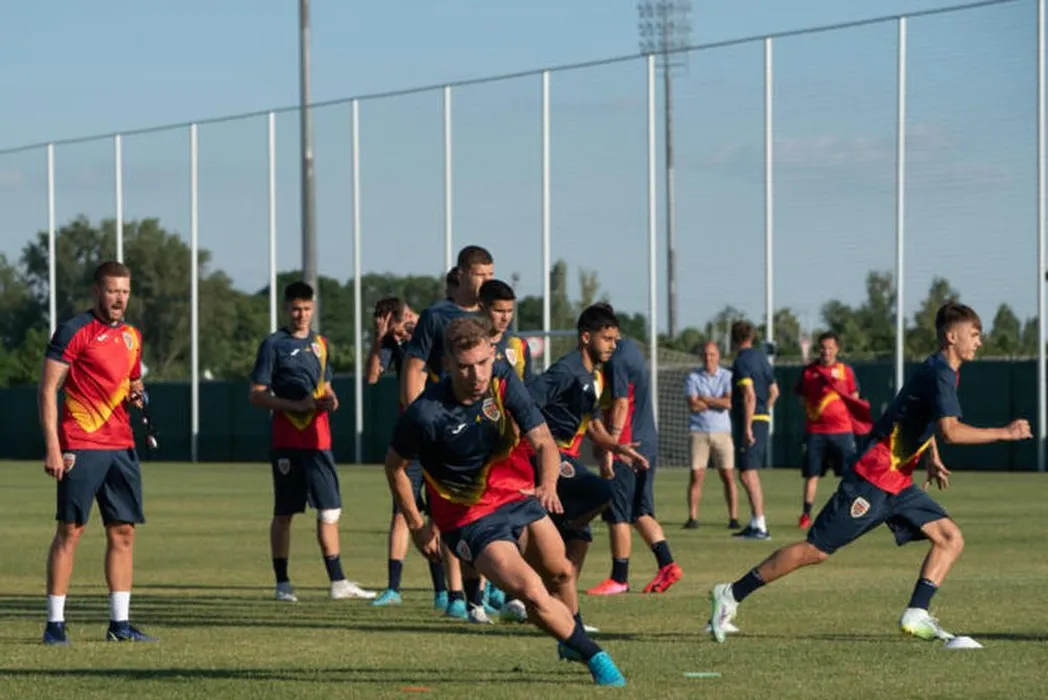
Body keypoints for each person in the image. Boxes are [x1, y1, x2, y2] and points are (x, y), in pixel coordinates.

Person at [709, 302, 1032, 644]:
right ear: (952, 336)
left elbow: (917, 417)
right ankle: (730, 593)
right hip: (873, 477)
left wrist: (931, 455)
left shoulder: (944, 370)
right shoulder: (941, 371)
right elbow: (950, 430)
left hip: (898, 482)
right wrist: (1005, 433)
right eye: (975, 334)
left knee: (950, 538)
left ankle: (917, 612)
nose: (979, 342)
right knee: (815, 550)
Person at [384, 317, 626, 686]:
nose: (477, 375)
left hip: (515, 495)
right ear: (447, 364)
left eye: (482, 362)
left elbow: (543, 441)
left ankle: (570, 641)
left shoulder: (502, 378)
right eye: (465, 367)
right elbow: (395, 468)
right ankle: (596, 657)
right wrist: (418, 526)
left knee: (561, 572)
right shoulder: (425, 413)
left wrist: (547, 485)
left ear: (493, 354)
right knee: (531, 590)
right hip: (469, 518)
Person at [39, 261, 155, 645]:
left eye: (125, 291)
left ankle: (119, 625)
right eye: (112, 290)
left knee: (123, 532)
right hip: (82, 443)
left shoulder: (132, 336)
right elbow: (48, 389)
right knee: (70, 531)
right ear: (97, 291)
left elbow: (133, 381)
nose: (119, 298)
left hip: (121, 445)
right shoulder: (74, 330)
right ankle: (55, 625)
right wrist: (53, 447)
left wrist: (137, 394)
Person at [249, 281, 375, 603]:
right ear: (285, 308)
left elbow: (326, 386)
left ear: (313, 308)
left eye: (306, 309)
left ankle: (338, 582)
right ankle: (282, 584)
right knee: (285, 512)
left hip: (319, 441)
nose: (301, 315)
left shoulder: (320, 344)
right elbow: (257, 395)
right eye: (295, 309)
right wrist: (295, 406)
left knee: (330, 509)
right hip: (287, 441)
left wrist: (332, 399)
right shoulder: (273, 345)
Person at [524, 304, 648, 592]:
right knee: (603, 492)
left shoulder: (594, 376)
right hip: (546, 457)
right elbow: (526, 403)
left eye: (616, 340)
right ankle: (551, 539)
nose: (613, 346)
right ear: (585, 337)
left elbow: (592, 426)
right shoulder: (566, 370)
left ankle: (561, 602)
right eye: (607, 339)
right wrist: (540, 443)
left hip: (565, 456)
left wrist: (619, 449)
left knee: (581, 537)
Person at [401, 245, 495, 620]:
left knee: (485, 507)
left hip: (484, 426)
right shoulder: (437, 316)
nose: (486, 281)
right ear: (462, 274)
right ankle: (453, 593)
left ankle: (484, 591)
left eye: (491, 274)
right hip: (445, 424)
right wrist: (417, 419)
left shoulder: (491, 315)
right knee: (446, 510)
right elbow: (415, 368)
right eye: (481, 274)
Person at [588, 308, 682, 596]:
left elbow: (621, 403)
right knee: (640, 511)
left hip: (628, 445)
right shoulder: (632, 350)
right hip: (647, 442)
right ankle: (668, 565)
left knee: (617, 511)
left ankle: (619, 578)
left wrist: (612, 447)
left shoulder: (616, 357)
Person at [366, 298, 448, 609]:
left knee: (439, 514)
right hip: (411, 440)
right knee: (402, 512)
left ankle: (443, 592)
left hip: (441, 438)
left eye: (398, 327)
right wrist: (379, 339)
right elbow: (372, 377)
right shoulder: (393, 344)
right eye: (392, 330)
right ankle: (393, 588)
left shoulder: (435, 335)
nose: (398, 334)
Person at [794, 331, 871, 529]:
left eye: (830, 348)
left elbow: (855, 397)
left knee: (849, 474)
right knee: (812, 474)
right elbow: (801, 397)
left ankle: (848, 512)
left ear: (837, 349)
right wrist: (814, 412)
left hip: (842, 431)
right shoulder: (809, 372)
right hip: (816, 432)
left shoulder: (845, 371)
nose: (826, 351)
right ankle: (806, 515)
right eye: (823, 347)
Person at [729, 321, 779, 541]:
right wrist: (764, 410)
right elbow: (774, 391)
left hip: (751, 421)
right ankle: (755, 523)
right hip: (761, 419)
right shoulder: (761, 359)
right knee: (748, 471)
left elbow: (749, 394)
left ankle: (760, 526)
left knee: (748, 472)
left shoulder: (742, 361)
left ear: (733, 339)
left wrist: (748, 426)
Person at [683, 341, 739, 530]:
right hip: (698, 431)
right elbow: (692, 405)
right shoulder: (693, 377)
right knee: (696, 475)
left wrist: (705, 399)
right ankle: (692, 517)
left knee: (728, 475)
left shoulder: (727, 376)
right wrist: (717, 402)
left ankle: (733, 517)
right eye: (706, 355)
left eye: (712, 354)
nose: (709, 358)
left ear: (718, 356)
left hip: (722, 431)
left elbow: (728, 403)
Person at [480, 279, 533, 383]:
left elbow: (527, 386)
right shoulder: (469, 344)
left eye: (509, 311)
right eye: (499, 311)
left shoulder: (520, 344)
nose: (505, 318)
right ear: (482, 309)